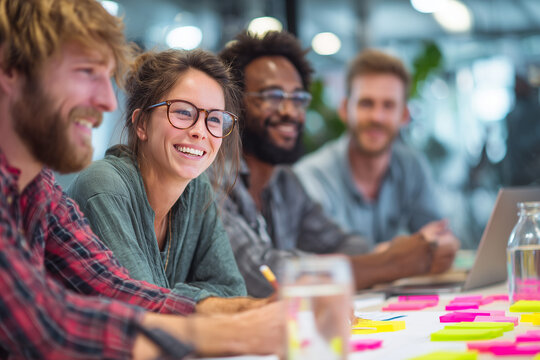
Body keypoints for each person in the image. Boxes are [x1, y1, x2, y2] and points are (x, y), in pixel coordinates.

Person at [0, 0, 283, 358]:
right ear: (11, 69)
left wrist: (250, 312)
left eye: (215, 119)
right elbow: (48, 325)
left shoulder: (39, 189)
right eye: (86, 71)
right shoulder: (102, 184)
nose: (106, 100)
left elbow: (115, 288)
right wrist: (235, 332)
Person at [218, 30, 453, 298]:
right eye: (272, 96)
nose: (289, 111)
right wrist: (393, 262)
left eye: (297, 99)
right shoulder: (212, 181)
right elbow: (261, 274)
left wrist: (403, 250)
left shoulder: (284, 182)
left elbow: (338, 243)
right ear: (234, 104)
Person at [68, 49, 256, 309]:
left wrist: (175, 298)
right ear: (142, 124)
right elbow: (144, 306)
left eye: (214, 119)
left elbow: (233, 291)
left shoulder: (197, 191)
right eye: (183, 112)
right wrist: (206, 300)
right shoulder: (103, 187)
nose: (200, 132)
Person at [294, 49, 460, 255]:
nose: (377, 117)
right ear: (345, 109)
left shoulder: (412, 166)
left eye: (388, 105)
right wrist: (409, 249)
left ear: (404, 115)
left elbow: (440, 239)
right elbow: (327, 261)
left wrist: (435, 244)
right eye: (366, 103)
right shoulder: (311, 177)